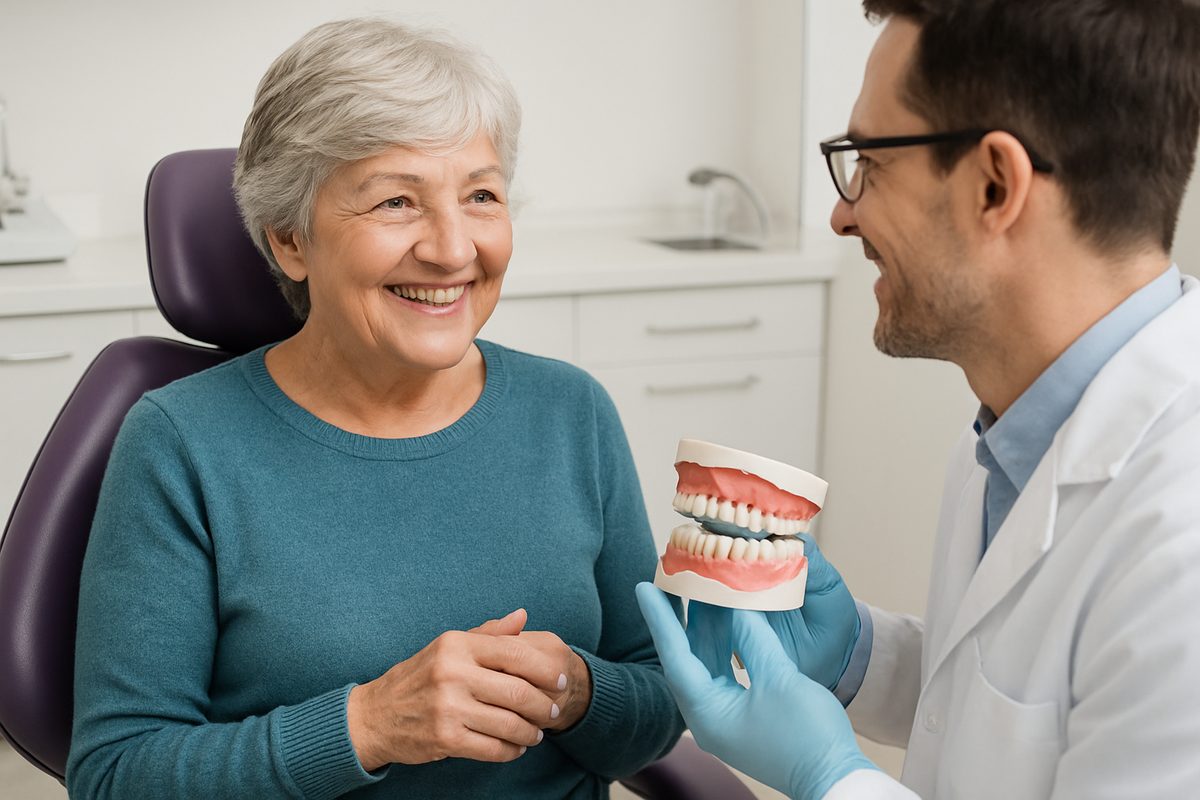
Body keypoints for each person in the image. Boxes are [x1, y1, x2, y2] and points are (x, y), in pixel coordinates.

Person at [67, 18, 682, 799]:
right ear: (290, 239)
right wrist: (371, 725)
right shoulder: (180, 443)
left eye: (481, 195)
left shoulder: (572, 413)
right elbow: (116, 777)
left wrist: (579, 690)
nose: (455, 249)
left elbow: (659, 703)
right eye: (397, 201)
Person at [638, 0, 1200, 797]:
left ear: (994, 185)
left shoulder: (1183, 543)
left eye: (869, 162)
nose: (841, 212)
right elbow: (1018, 705)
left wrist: (829, 778)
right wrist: (863, 657)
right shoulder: (1015, 428)